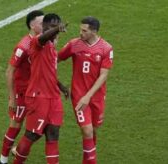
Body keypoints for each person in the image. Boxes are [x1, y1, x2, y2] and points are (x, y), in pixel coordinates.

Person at [13, 13, 68, 164]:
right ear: (44, 27)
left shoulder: (51, 48)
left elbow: (49, 73)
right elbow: (43, 38)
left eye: (58, 26)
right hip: (38, 97)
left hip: (54, 98)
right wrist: (56, 29)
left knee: (53, 134)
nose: (56, 30)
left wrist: (61, 86)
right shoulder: (37, 43)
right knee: (32, 135)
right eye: (52, 26)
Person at [58, 16, 114, 164]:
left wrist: (88, 96)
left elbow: (104, 75)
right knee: (87, 131)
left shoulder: (106, 48)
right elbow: (54, 60)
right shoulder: (74, 45)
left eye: (84, 30)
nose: (80, 33)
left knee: (93, 131)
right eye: (80, 29)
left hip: (96, 97)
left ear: (94, 31)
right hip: (79, 96)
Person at [0, 10, 44, 164]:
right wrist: (12, 98)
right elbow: (9, 72)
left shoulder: (42, 42)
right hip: (23, 93)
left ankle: (18, 148)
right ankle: (2, 160)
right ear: (32, 25)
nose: (44, 25)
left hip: (37, 93)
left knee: (44, 126)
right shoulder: (23, 46)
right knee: (16, 125)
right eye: (41, 22)